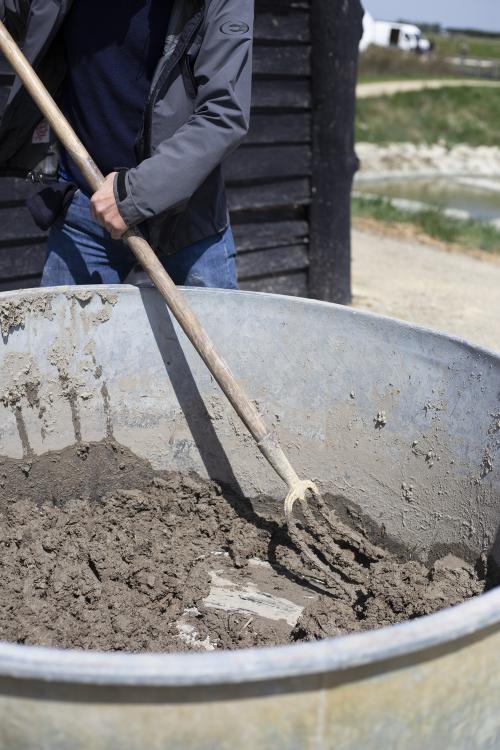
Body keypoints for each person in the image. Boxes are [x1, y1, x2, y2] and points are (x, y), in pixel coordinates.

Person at [0, 0, 254, 288]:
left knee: (218, 330)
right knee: (65, 332)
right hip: (86, 202)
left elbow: (224, 113)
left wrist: (133, 195)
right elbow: (15, 11)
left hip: (185, 217)